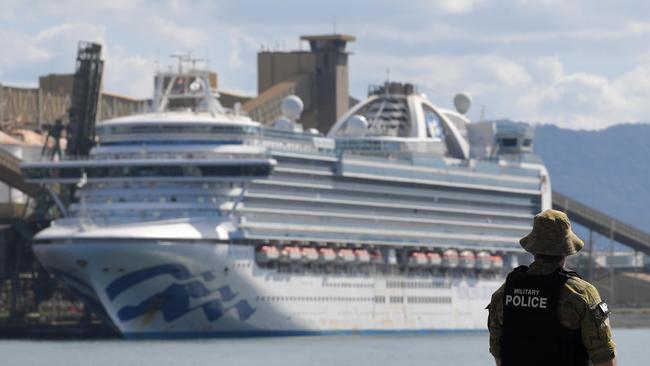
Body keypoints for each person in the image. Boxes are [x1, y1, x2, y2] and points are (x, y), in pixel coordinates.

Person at [487, 209, 616, 366]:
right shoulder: (580, 293)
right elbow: (604, 358)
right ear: (567, 250)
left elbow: (499, 355)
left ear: (533, 248)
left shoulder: (504, 293)